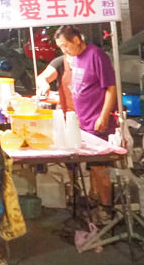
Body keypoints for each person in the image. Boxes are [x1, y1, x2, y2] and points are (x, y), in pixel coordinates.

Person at [54, 25, 116, 215]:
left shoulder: (96, 55)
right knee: (91, 167)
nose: (64, 50)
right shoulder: (76, 58)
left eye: (65, 46)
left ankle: (107, 209)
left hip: (98, 122)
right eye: (61, 47)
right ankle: (95, 201)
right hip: (83, 122)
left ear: (76, 40)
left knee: (99, 168)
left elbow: (111, 88)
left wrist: (104, 116)